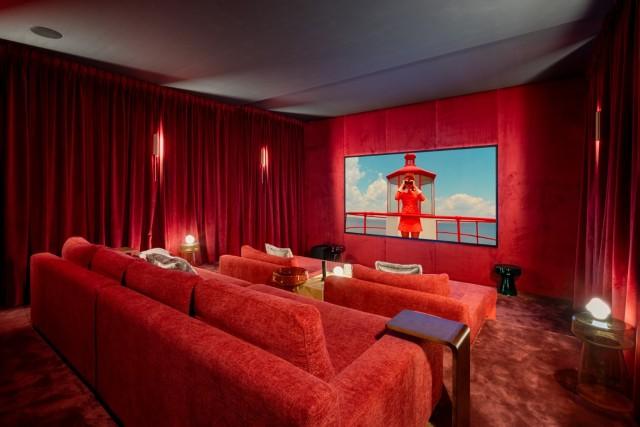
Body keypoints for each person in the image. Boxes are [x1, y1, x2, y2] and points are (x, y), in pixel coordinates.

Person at [395, 174, 425, 238]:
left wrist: (415, 186)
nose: (408, 184)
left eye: (410, 182)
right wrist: (402, 184)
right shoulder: (402, 193)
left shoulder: (416, 192)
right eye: (406, 182)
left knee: (415, 242)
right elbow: (396, 197)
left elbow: (422, 199)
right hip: (405, 218)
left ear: (413, 183)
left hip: (415, 218)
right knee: (405, 241)